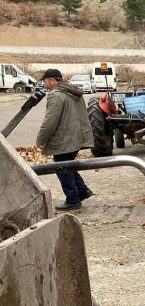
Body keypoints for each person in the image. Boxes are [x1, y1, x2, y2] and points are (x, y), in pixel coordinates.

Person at [36, 68, 94, 211]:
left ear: (52, 80)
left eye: (46, 82)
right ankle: (82, 191)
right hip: (76, 137)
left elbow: (50, 121)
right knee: (68, 165)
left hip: (64, 139)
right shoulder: (73, 91)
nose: (45, 85)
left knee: (62, 168)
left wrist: (41, 139)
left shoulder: (56, 95)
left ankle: (73, 200)